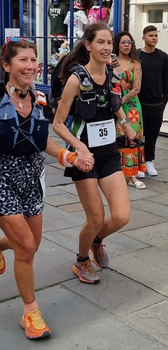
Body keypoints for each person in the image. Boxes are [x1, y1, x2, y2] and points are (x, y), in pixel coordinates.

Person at [0, 38, 93, 340]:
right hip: (1, 180)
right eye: (23, 60)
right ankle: (31, 311)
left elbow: (42, 139)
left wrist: (65, 155)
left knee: (30, 244)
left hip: (33, 180)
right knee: (27, 248)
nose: (30, 66)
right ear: (6, 65)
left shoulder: (40, 100)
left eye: (33, 60)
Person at [53, 22, 136, 284]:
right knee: (96, 217)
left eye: (109, 42)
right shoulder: (77, 80)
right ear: (88, 45)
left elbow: (113, 104)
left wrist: (125, 124)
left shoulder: (112, 76)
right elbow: (58, 123)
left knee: (121, 216)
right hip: (83, 158)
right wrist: (79, 148)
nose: (106, 47)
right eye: (100, 42)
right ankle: (81, 260)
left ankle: (97, 241)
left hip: (109, 153)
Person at [113, 31, 146, 189]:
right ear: (118, 44)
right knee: (116, 138)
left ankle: (132, 175)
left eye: (129, 42)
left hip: (131, 106)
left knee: (130, 139)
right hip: (112, 104)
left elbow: (136, 88)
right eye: (123, 42)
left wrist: (119, 102)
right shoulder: (111, 61)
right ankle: (117, 173)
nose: (127, 45)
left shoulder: (135, 63)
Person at [137, 25, 168, 177]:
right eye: (150, 35)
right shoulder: (136, 56)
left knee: (153, 134)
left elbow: (166, 80)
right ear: (144, 37)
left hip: (157, 103)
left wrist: (164, 102)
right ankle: (137, 162)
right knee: (137, 134)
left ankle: (149, 161)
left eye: (156, 35)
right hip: (139, 102)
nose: (154, 38)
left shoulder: (163, 57)